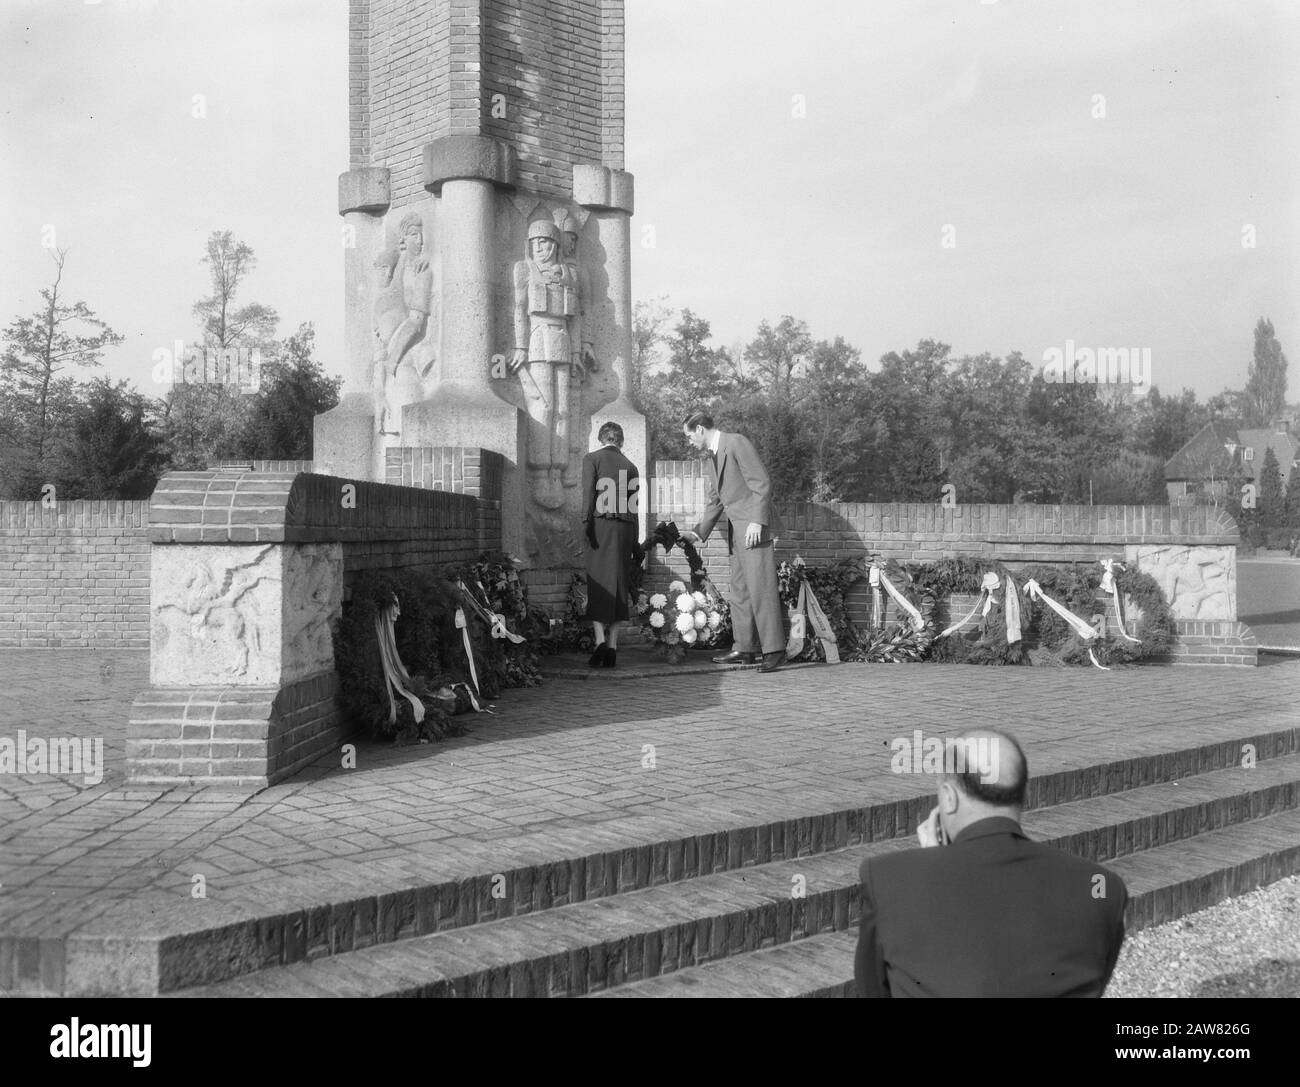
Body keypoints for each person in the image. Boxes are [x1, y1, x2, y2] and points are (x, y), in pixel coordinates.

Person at [855, 728, 1128, 997]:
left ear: (949, 798)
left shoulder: (889, 879)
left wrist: (931, 868)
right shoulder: (1102, 888)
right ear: (1024, 795)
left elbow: (874, 990)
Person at [678, 411, 786, 673]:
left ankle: (774, 649)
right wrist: (697, 533)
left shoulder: (736, 442)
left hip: (753, 529)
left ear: (701, 429)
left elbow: (761, 482)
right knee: (740, 590)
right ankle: (744, 648)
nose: (689, 441)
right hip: (737, 531)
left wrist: (757, 522)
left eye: (689, 435)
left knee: (761, 588)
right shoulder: (711, 458)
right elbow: (715, 501)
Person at [581, 421, 640, 668]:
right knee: (618, 584)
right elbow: (634, 507)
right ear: (621, 441)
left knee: (597, 582)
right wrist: (635, 541)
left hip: (601, 527)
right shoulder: (632, 466)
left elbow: (588, 495)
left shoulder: (592, 458)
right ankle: (613, 646)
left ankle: (599, 640)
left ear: (601, 438)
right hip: (625, 529)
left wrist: (586, 524)